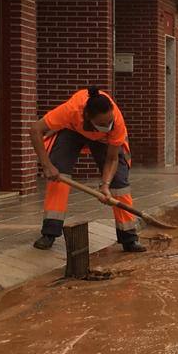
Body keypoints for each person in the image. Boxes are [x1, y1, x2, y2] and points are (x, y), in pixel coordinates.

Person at [28, 86, 146, 252]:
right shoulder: (71, 110)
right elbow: (35, 129)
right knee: (58, 176)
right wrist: (47, 165)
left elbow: (112, 158)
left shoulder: (116, 124)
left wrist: (105, 185)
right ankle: (50, 233)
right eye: (102, 123)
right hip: (72, 131)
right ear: (88, 116)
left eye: (109, 122)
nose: (107, 125)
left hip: (103, 141)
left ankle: (129, 237)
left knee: (119, 184)